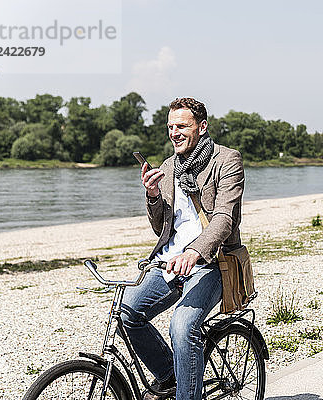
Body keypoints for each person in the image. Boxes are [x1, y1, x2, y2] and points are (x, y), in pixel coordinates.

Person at [120, 97, 245, 400]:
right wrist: (151, 196)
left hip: (212, 263)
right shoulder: (168, 167)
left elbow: (225, 218)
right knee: (127, 313)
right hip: (170, 262)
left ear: (202, 127)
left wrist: (195, 252)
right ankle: (172, 376)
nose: (174, 132)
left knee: (182, 325)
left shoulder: (226, 160)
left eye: (182, 126)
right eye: (170, 127)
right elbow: (161, 227)